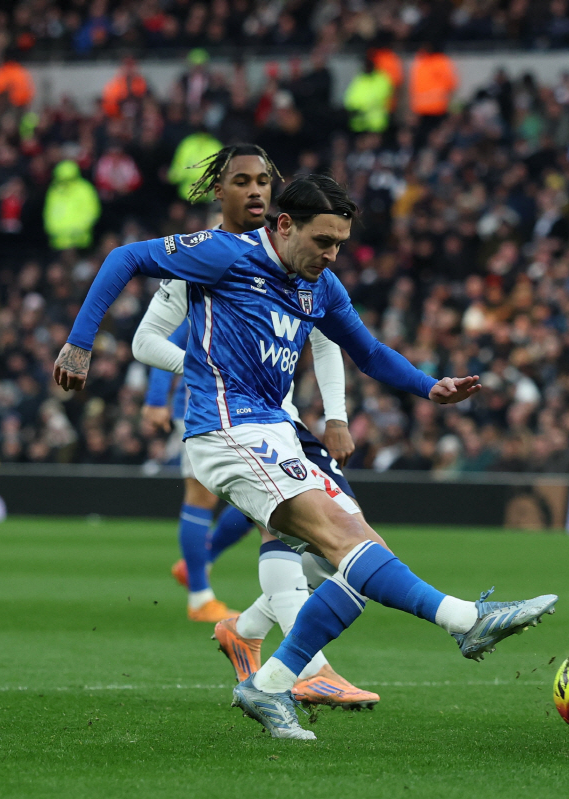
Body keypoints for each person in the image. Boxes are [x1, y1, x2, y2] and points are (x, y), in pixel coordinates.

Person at [53, 174, 558, 740]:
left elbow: (366, 351)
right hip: (225, 430)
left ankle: (268, 684)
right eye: (322, 241)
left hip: (279, 431)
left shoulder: (321, 286)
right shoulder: (224, 254)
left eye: (339, 243)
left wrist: (427, 386)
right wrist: (80, 341)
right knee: (345, 544)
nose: (331, 254)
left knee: (363, 563)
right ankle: (467, 620)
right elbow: (124, 257)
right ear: (284, 225)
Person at [134, 144, 379, 710]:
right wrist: (195, 374)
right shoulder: (200, 256)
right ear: (219, 190)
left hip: (283, 420)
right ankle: (296, 659)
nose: (256, 191)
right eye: (242, 181)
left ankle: (243, 629)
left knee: (330, 543)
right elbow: (148, 340)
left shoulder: (298, 254)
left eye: (265, 181)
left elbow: (326, 335)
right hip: (219, 414)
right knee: (283, 528)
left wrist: (336, 415)